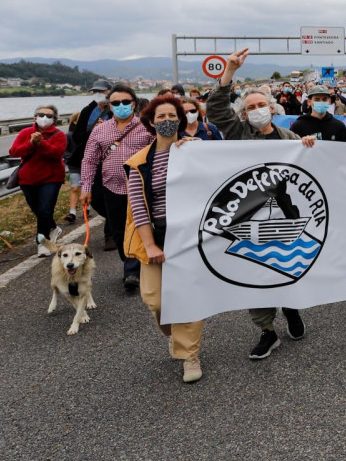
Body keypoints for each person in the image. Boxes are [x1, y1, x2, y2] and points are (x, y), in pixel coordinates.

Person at [206, 48, 318, 359]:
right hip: (247, 215)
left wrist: (309, 146)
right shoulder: (237, 133)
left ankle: (292, 309)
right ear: (244, 112)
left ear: (272, 108)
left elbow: (313, 168)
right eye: (251, 106)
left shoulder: (288, 137)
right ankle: (267, 330)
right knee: (254, 273)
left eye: (261, 105)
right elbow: (215, 109)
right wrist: (229, 71)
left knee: (286, 266)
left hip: (284, 215)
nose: (257, 110)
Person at [125, 95, 205, 383]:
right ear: (150, 121)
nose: (167, 120)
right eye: (160, 116)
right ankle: (176, 336)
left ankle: (189, 354)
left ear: (181, 120)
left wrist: (197, 151)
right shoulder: (139, 162)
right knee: (155, 299)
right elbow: (138, 207)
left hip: (189, 237)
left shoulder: (194, 151)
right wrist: (149, 244)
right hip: (156, 235)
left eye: (172, 115)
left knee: (188, 297)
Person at [81, 83, 153, 291]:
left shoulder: (147, 127)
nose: (121, 106)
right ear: (109, 106)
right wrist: (85, 187)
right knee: (118, 230)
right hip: (111, 187)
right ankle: (129, 260)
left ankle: (132, 271)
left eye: (125, 102)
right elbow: (89, 160)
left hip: (140, 188)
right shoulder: (100, 130)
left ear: (134, 103)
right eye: (115, 103)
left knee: (139, 226)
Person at [9, 105, 69, 257]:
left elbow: (56, 153)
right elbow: (14, 151)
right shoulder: (25, 133)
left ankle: (42, 242)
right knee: (38, 210)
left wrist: (41, 143)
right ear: (35, 117)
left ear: (54, 119)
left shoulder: (59, 135)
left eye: (49, 116)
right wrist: (30, 143)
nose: (44, 118)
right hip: (28, 179)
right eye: (41, 114)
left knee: (44, 209)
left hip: (51, 178)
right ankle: (53, 227)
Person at [64, 79, 112, 226]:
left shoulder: (116, 109)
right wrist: (94, 132)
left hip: (111, 157)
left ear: (109, 91)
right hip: (91, 157)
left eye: (102, 91)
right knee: (96, 198)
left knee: (110, 196)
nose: (98, 94)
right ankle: (112, 222)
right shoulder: (87, 110)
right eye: (95, 91)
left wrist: (108, 128)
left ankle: (110, 233)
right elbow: (77, 135)